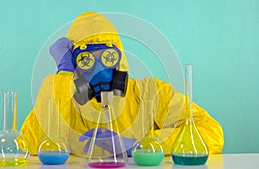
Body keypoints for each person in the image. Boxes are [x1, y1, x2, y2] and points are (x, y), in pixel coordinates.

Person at [21, 12, 224, 157]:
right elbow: (30, 142)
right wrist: (63, 76)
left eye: (108, 57)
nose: (99, 69)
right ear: (75, 65)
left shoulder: (149, 94)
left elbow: (211, 131)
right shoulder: (63, 99)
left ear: (121, 58)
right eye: (86, 60)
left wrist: (140, 146)